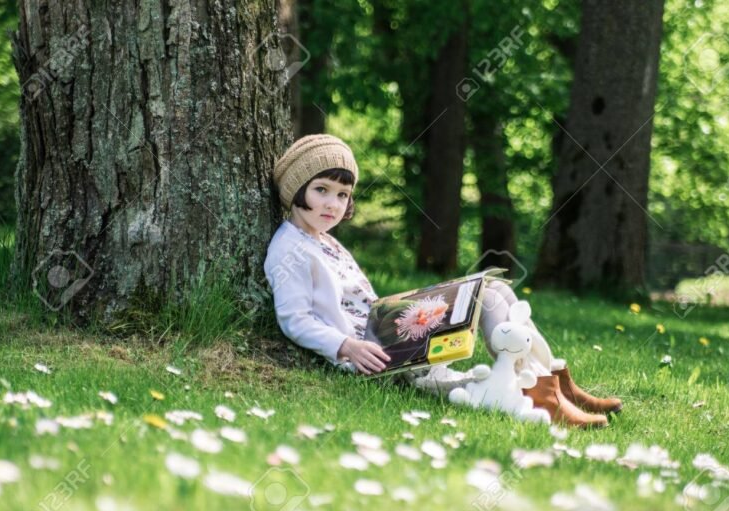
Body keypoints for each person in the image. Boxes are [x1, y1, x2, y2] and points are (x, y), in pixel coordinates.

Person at [263, 134, 622, 428]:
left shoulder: (322, 238)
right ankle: (540, 392)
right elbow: (295, 319)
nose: (333, 204)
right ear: (295, 190)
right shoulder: (290, 248)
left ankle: (554, 380)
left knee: (493, 289)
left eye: (342, 195)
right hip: (370, 354)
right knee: (487, 303)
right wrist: (345, 346)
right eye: (321, 190)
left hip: (388, 332)